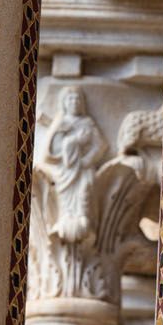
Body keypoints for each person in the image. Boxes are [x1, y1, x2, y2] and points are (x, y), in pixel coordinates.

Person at [43, 87, 107, 244]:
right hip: (64, 171)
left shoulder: (87, 123)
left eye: (78, 99)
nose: (74, 102)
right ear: (64, 103)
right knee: (63, 194)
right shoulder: (60, 123)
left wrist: (87, 159)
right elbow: (50, 151)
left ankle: (82, 216)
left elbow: (101, 145)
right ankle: (65, 217)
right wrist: (73, 141)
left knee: (85, 189)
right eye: (70, 99)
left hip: (84, 169)